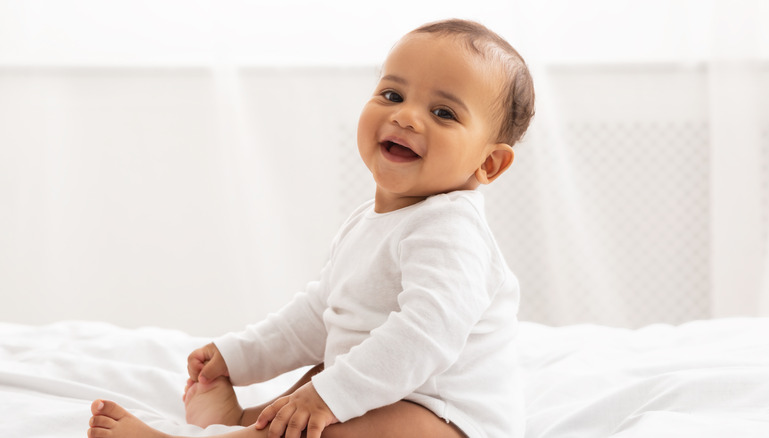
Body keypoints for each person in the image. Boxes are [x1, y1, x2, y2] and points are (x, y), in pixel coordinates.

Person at [87, 17, 535, 438]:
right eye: (393, 96)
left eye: (443, 112)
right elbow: (320, 315)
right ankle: (245, 423)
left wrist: (326, 397)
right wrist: (239, 355)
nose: (406, 117)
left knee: (326, 397)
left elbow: (423, 336)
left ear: (489, 163)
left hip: (449, 417)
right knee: (325, 373)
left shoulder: (451, 231)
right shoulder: (369, 222)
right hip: (391, 392)